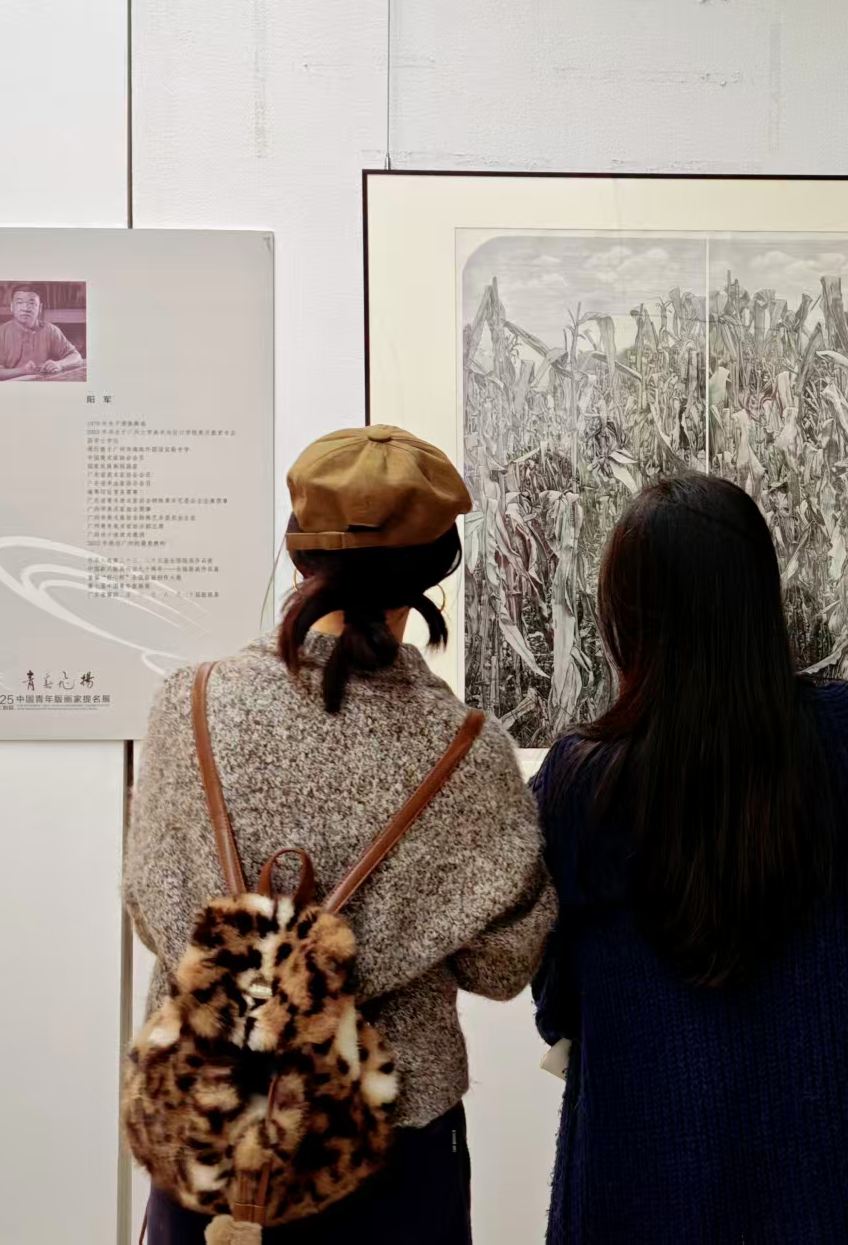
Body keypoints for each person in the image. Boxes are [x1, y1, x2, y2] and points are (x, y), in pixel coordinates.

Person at [125, 425, 555, 1244]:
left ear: (299, 557)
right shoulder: (465, 750)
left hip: (213, 1136)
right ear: (435, 572)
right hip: (391, 1144)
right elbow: (504, 965)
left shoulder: (190, 706)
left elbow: (155, 917)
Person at [531, 474, 848, 1244]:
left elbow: (557, 1004)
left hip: (638, 1197)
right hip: (832, 1194)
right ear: (759, 597)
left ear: (625, 615)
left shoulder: (578, 784)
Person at [0, 283, 84, 379]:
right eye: (19, 303)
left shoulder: (51, 330)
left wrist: (60, 364)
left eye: (32, 303)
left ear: (40, 308)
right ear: (12, 307)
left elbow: (76, 357)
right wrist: (23, 370)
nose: (25, 308)